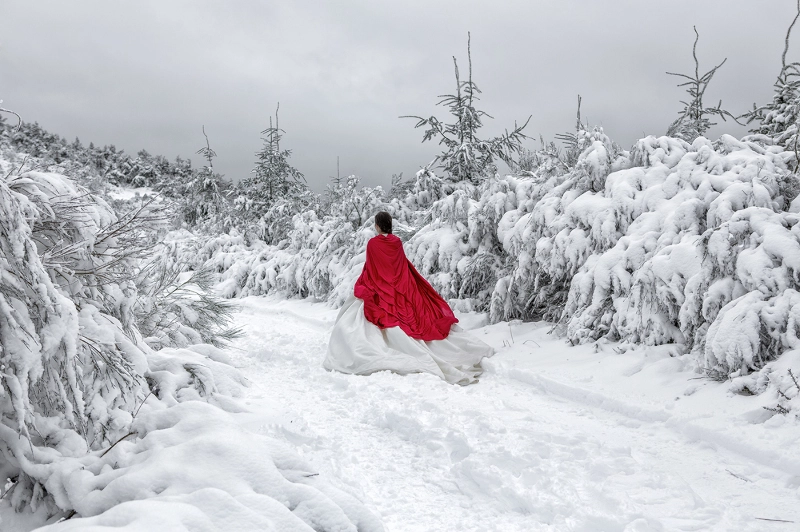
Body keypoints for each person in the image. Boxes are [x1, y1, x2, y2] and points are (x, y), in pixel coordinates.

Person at [323, 211, 494, 385]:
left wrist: (365, 285)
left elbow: (372, 268)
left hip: (381, 286)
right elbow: (399, 265)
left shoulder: (373, 244)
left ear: (377, 225)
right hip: (399, 285)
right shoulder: (396, 242)